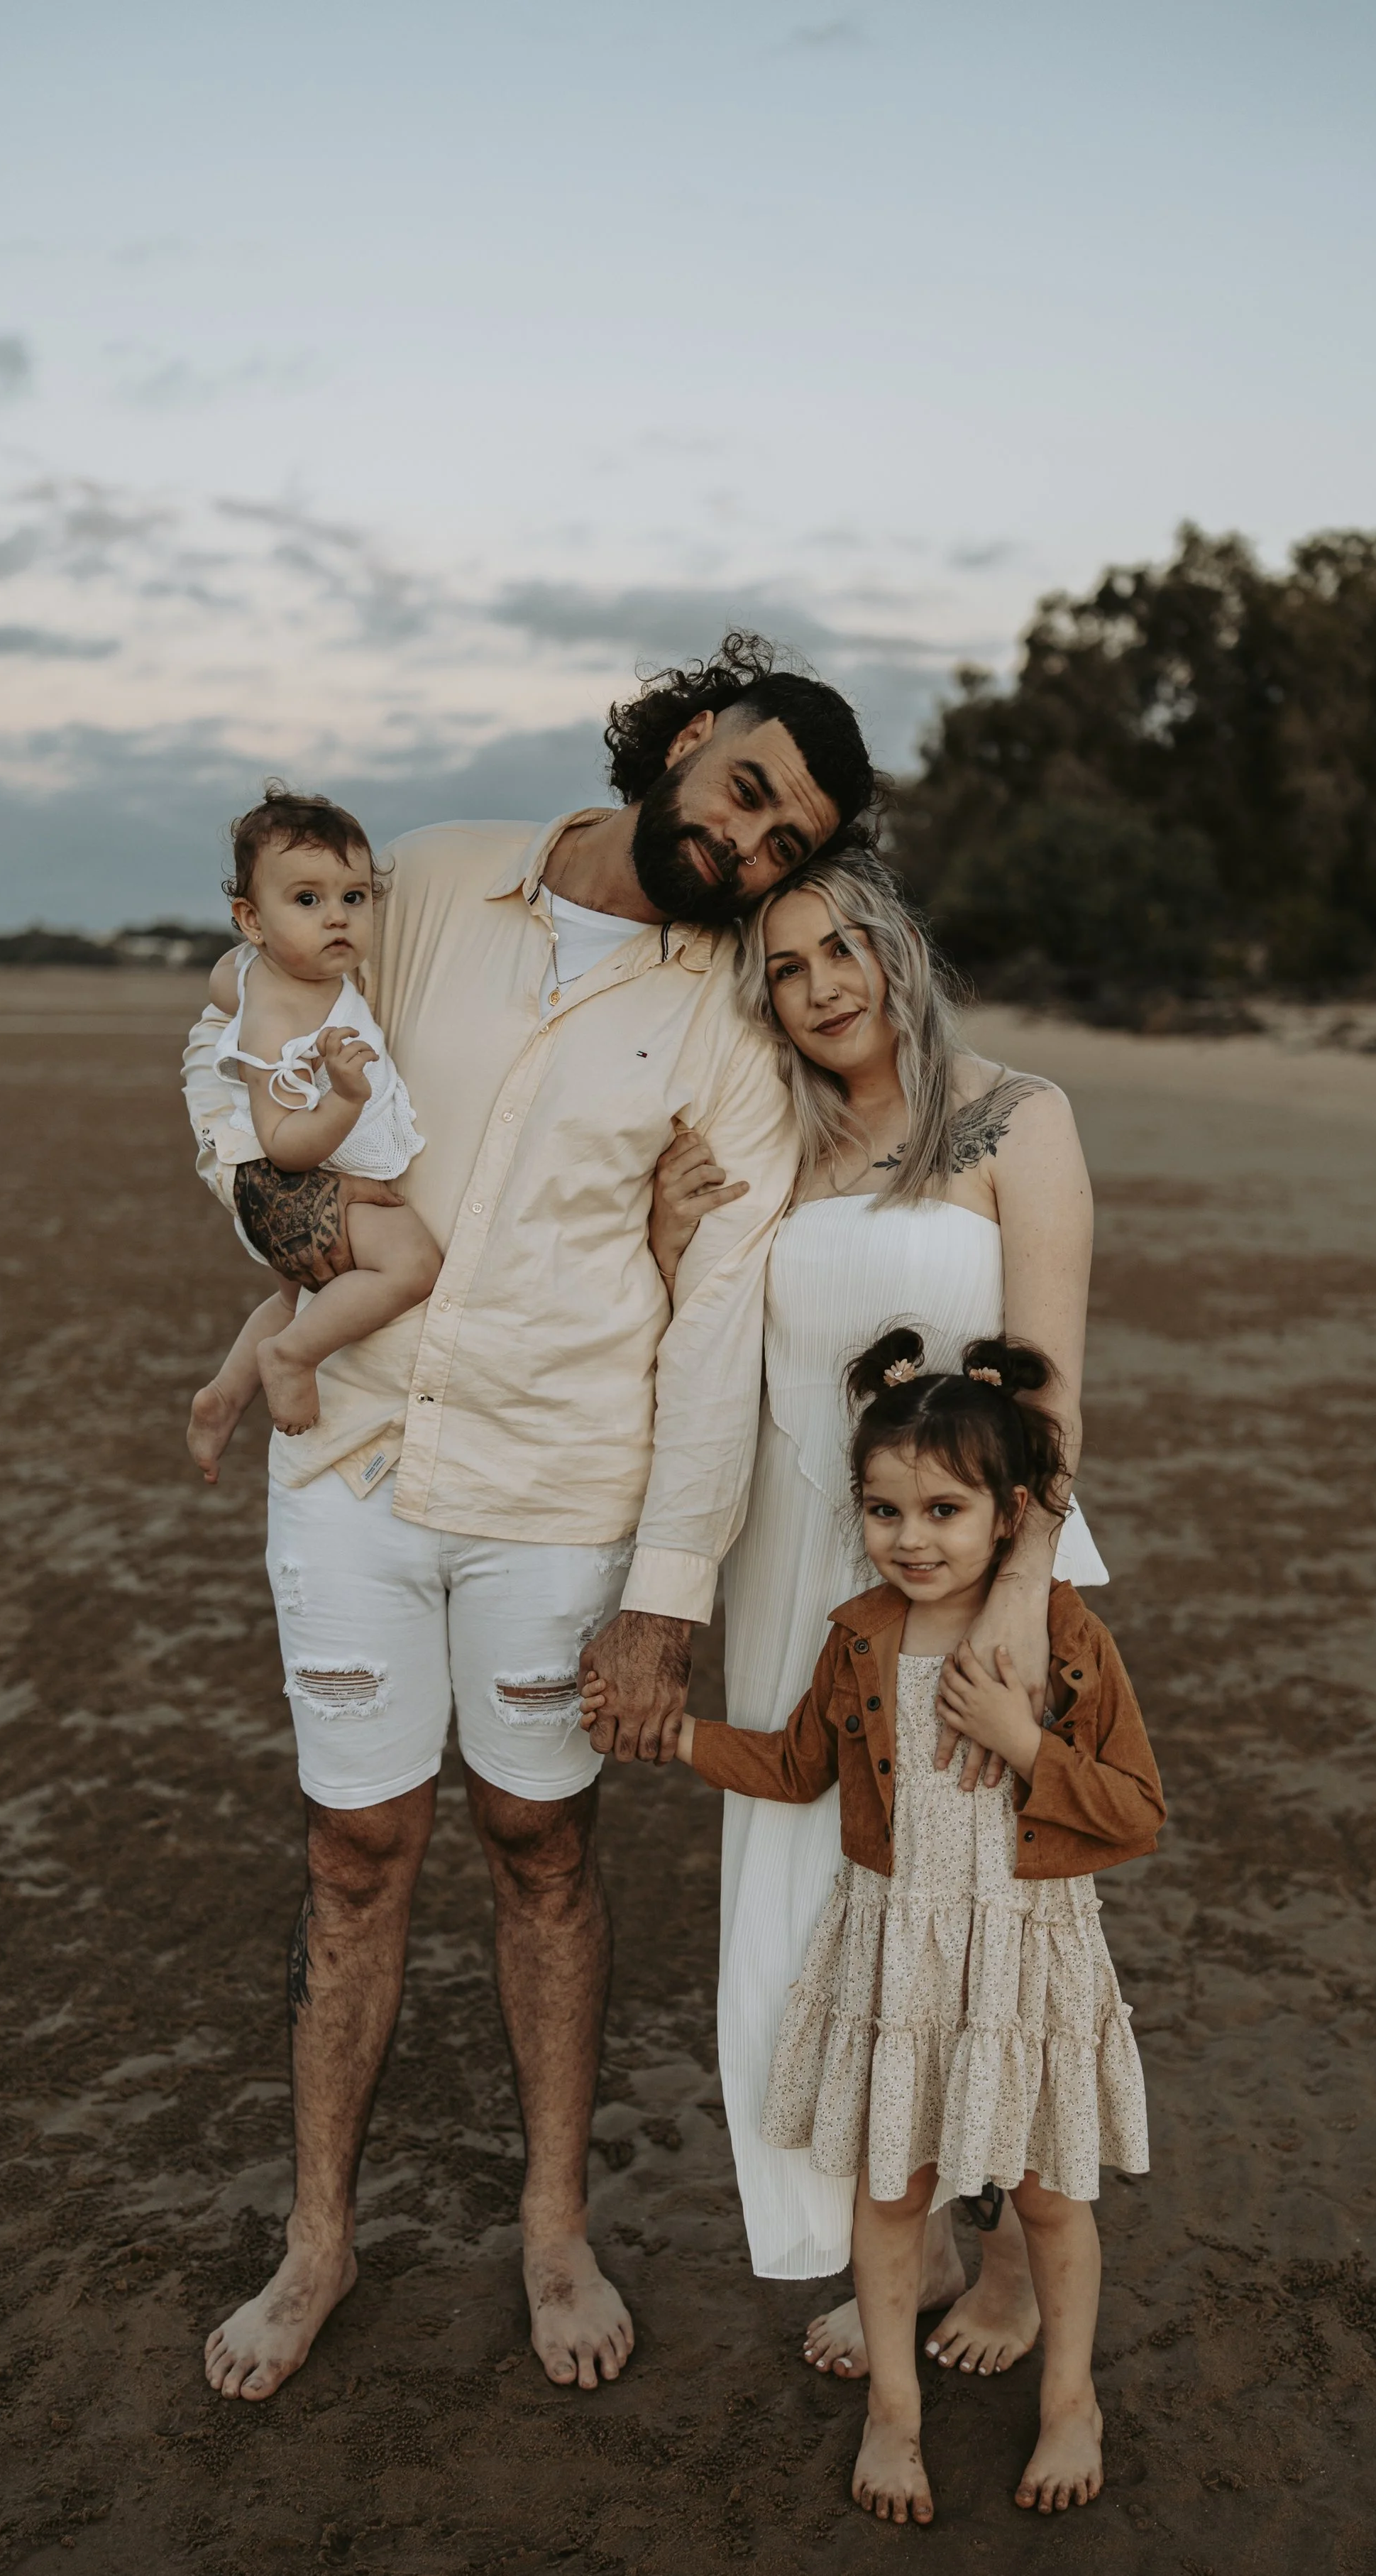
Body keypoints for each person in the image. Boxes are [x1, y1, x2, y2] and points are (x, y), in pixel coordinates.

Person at [178, 635, 876, 2401]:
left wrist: (662, 1598)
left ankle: (553, 2226)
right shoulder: (421, 874)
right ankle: (317, 2240)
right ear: (696, 735)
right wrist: (280, 1215)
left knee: (539, 1845)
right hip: (345, 1454)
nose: (748, 842)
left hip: (563, 1490)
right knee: (354, 1850)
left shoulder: (735, 1024)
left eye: (788, 838)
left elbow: (719, 1328)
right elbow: (244, 1039)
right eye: (746, 789)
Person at [646, 848, 1106, 2377]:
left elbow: (1044, 1387)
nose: (822, 983)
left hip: (968, 1570)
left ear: (896, 946)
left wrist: (1023, 1595)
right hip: (796, 1561)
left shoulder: (1014, 1119)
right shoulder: (770, 1136)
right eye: (784, 966)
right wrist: (668, 1236)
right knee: (812, 1918)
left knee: (981, 1915)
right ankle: (914, 2245)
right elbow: (711, 1336)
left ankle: (1016, 2275)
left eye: (841, 947)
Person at [584, 1327, 1161, 2523]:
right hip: (895, 1954)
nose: (912, 1539)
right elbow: (798, 1765)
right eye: (886, 1511)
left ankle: (1071, 2400)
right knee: (892, 2191)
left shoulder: (1061, 1641)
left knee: (1054, 2193)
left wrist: (1024, 1747)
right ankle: (894, 2414)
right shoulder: (858, 1636)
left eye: (944, 1511)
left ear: (1009, 1515)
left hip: (1023, 1953)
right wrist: (672, 1734)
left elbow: (1136, 1814)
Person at [187, 789, 443, 1480]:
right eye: (306, 900)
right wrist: (347, 1096)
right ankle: (291, 1356)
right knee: (413, 1264)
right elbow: (285, 1145)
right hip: (296, 1166)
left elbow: (224, 980)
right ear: (251, 919)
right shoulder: (274, 1020)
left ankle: (221, 1397)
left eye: (353, 898)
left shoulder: (286, 971)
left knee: (296, 1297)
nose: (335, 916)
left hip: (315, 1154)